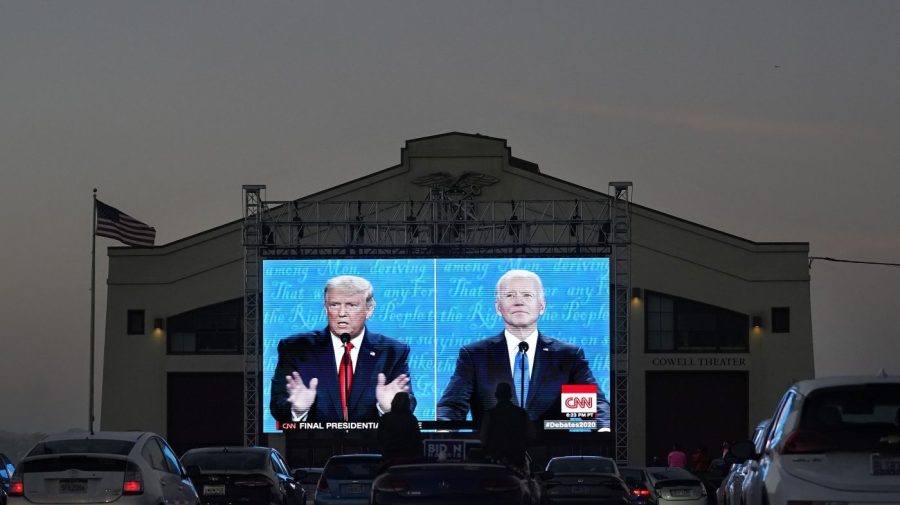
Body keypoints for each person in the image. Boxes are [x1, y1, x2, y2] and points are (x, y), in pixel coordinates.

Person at [437, 269, 610, 429]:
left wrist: (603, 429)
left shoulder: (567, 356)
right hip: (493, 455)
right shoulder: (475, 355)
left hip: (551, 452)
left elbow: (594, 405)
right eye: (510, 295)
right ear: (498, 307)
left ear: (542, 306)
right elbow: (452, 407)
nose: (519, 301)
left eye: (527, 295)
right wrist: (444, 433)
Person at [270, 275, 414, 423]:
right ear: (326, 308)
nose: (342, 313)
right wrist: (298, 411)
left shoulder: (392, 351)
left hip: (374, 443)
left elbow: (409, 405)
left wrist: (390, 408)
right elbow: (277, 405)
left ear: (369, 309)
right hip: (314, 443)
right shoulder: (296, 348)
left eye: (351, 305)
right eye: (334, 305)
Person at [480, 382, 535, 472]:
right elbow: (531, 435)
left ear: (496, 395)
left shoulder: (490, 415)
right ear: (510, 396)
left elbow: (483, 438)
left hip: (495, 463)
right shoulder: (522, 413)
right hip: (517, 462)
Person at [377, 392, 423, 467]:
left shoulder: (385, 418)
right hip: (408, 462)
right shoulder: (411, 419)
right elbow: (417, 441)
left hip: (389, 461)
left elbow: (380, 439)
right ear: (408, 404)